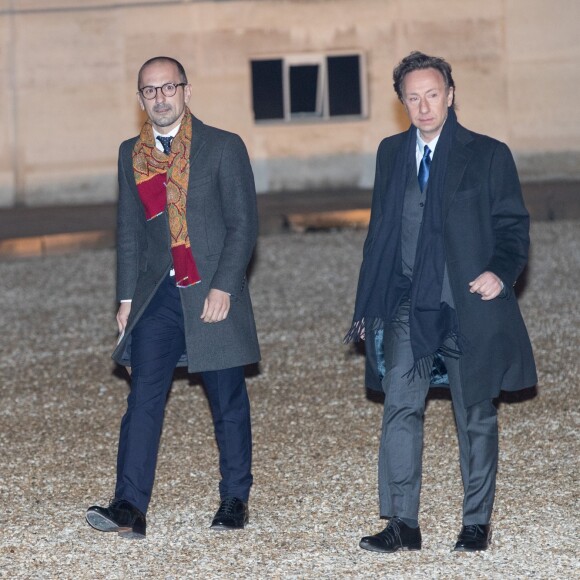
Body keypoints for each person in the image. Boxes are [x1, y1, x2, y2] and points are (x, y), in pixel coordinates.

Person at [345, 51, 537, 553]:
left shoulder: (489, 153)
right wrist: (369, 305)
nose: (424, 105)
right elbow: (379, 236)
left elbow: (513, 227)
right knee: (400, 407)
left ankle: (476, 522)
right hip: (409, 301)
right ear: (402, 102)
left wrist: (501, 272)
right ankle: (402, 524)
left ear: (451, 95)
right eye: (414, 97)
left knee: (474, 412)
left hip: (467, 302)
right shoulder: (391, 153)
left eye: (433, 94)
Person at [86, 56, 260, 539]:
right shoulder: (131, 153)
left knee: (226, 397)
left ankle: (234, 498)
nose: (160, 97)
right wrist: (124, 299)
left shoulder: (223, 146)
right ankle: (129, 507)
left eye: (168, 88)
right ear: (140, 98)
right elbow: (128, 230)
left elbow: (243, 224)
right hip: (155, 295)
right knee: (142, 398)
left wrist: (224, 285)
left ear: (186, 91)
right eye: (150, 90)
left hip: (209, 289)